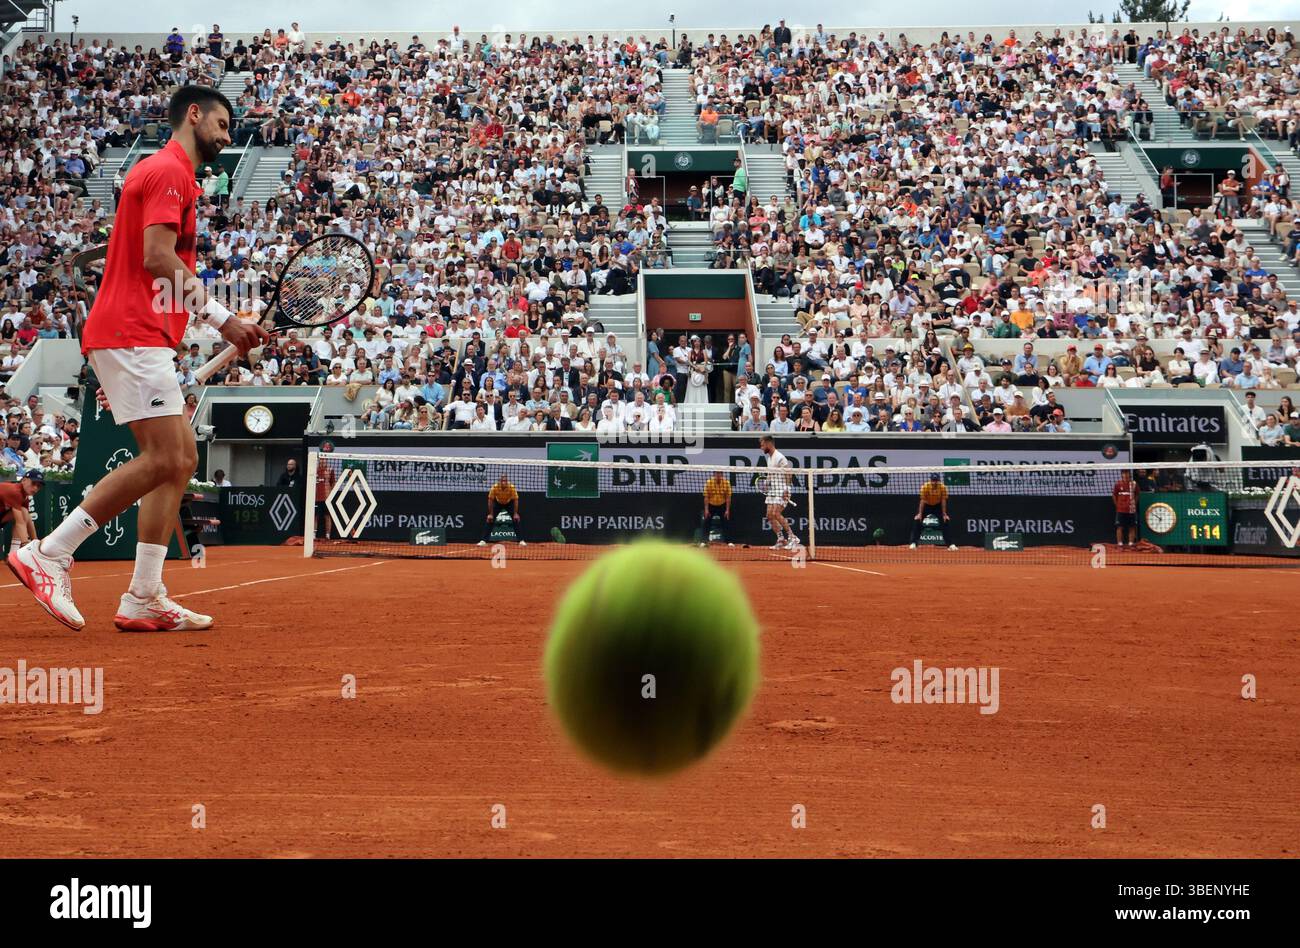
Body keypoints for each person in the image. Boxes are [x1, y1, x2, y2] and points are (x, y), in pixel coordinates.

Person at [6, 86, 268, 632]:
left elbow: (150, 263)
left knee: (182, 460)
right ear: (192, 115)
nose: (226, 136)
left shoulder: (167, 174)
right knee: (167, 457)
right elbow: (156, 258)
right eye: (221, 124)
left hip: (138, 336)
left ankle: (145, 594)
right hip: (131, 333)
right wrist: (226, 321)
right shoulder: (170, 170)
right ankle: (49, 552)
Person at [758, 435, 799, 551]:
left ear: (769, 444)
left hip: (782, 490)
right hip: (773, 490)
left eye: (762, 445)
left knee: (776, 513)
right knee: (769, 515)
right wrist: (766, 483)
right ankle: (781, 539)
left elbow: (788, 473)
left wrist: (786, 488)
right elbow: (771, 473)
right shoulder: (769, 458)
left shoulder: (780, 457)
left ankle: (793, 537)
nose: (761, 448)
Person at [909, 472, 958, 551]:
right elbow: (922, 500)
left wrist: (944, 513)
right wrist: (920, 513)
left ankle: (950, 545)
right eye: (933, 480)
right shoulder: (925, 487)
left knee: (945, 521)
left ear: (938, 480)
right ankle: (913, 543)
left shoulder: (942, 487)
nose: (934, 482)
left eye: (936, 480)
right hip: (926, 505)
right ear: (930, 480)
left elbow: (943, 500)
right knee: (917, 520)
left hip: (937, 506)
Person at [0, 469, 43, 554]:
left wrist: (35, 542)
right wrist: (26, 545)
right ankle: (14, 554)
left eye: (38, 486)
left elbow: (28, 520)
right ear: (23, 480)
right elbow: (20, 523)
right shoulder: (15, 492)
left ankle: (13, 553)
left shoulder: (24, 497)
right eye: (33, 484)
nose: (35, 488)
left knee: (24, 512)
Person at [478, 474, 523, 546]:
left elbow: (516, 500)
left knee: (516, 519)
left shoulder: (511, 487)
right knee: (490, 520)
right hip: (498, 503)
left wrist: (515, 513)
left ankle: (521, 540)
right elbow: (490, 500)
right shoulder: (495, 487)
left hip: (509, 503)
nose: (503, 482)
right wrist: (490, 514)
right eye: (502, 481)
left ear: (507, 481)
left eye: (505, 481)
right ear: (499, 481)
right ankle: (483, 540)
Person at [701, 469, 732, 547]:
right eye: (717, 473)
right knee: (706, 523)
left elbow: (728, 497)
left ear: (722, 475)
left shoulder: (726, 483)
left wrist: (727, 510)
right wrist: (706, 510)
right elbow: (706, 497)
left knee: (726, 523)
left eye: (720, 473)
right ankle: (704, 541)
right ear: (714, 474)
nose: (718, 475)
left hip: (722, 505)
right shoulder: (709, 482)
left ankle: (728, 541)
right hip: (711, 505)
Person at [314, 443, 336, 540]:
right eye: (321, 460)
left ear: (326, 460)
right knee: (315, 516)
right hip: (316, 498)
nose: (323, 461)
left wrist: (330, 494)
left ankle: (328, 535)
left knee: (327, 516)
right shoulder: (314, 471)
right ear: (319, 461)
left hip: (327, 498)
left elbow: (333, 483)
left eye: (324, 460)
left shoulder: (330, 470)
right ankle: (313, 535)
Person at [1112, 468, 1139, 547]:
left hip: (1131, 510)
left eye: (1127, 473)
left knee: (1132, 527)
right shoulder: (1118, 484)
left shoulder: (1134, 484)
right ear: (1122, 475)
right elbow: (1114, 495)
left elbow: (1137, 494)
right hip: (1120, 510)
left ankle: (1131, 543)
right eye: (1124, 473)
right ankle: (1120, 544)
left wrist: (1134, 503)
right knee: (1119, 527)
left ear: (1129, 474)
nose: (1126, 474)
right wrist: (1117, 505)